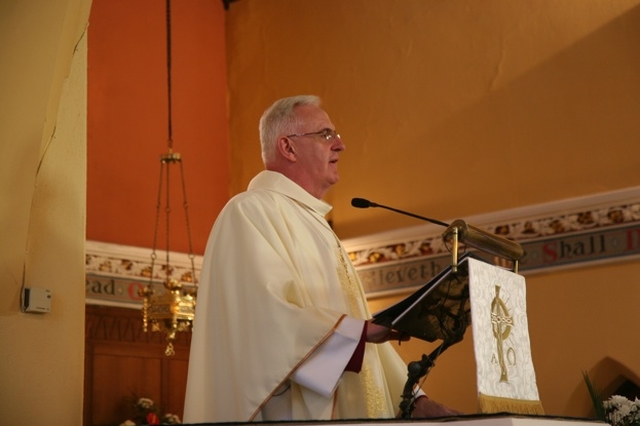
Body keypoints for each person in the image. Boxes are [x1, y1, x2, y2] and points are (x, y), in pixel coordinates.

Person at [183, 95, 460, 422]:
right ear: (288, 148)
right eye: (326, 134)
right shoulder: (249, 211)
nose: (340, 145)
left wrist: (413, 399)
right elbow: (262, 322)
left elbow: (361, 337)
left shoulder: (318, 227)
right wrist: (360, 332)